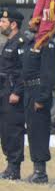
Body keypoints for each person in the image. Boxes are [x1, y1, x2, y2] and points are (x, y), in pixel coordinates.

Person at [21, 18, 55, 184]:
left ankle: (41, 172)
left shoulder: (46, 44)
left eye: (36, 21)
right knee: (32, 132)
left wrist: (42, 98)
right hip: (28, 91)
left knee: (40, 132)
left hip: (38, 92)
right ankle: (36, 169)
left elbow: (48, 74)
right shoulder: (30, 43)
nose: (31, 23)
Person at [0, 9, 27, 180]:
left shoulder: (20, 43)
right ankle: (9, 166)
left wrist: (17, 91)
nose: (0, 25)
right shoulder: (8, 43)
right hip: (3, 91)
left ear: (13, 24)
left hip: (12, 92)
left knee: (13, 130)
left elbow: (24, 70)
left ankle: (14, 168)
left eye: (3, 21)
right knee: (4, 129)